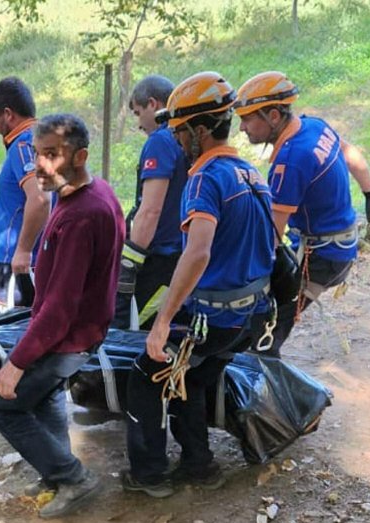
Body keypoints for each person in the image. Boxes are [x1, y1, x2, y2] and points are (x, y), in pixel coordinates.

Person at [121, 72, 274, 498]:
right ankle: (199, 464)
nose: (174, 139)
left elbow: (198, 252)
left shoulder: (204, 180)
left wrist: (163, 320)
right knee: (194, 376)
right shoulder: (248, 172)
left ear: (200, 130)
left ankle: (149, 474)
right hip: (248, 317)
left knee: (145, 375)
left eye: (179, 131)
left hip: (216, 317)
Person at [0, 114, 125, 519]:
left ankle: (74, 477)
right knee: (44, 396)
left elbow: (61, 308)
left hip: (68, 337)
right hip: (72, 331)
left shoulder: (83, 214)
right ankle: (56, 472)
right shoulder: (84, 196)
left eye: (51, 155)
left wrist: (16, 362)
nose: (38, 166)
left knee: (3, 404)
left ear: (79, 156)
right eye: (35, 155)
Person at [234, 71, 370, 357]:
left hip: (321, 257)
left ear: (273, 116)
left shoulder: (291, 161)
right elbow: (350, 152)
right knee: (268, 322)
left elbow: (272, 234)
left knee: (265, 329)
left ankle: (267, 387)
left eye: (247, 119)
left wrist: (243, 273)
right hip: (338, 244)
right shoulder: (313, 126)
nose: (242, 128)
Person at [113, 74, 189, 331]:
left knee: (135, 331)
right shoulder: (184, 136)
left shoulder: (160, 141)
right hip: (183, 253)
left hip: (161, 259)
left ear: (153, 104)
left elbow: (150, 209)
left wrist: (129, 261)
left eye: (137, 112)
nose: (138, 123)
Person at [0, 76, 51, 319]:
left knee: (10, 331)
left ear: (8, 114)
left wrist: (23, 251)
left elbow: (39, 199)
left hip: (15, 262)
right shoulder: (48, 139)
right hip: (41, 256)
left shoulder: (23, 144)